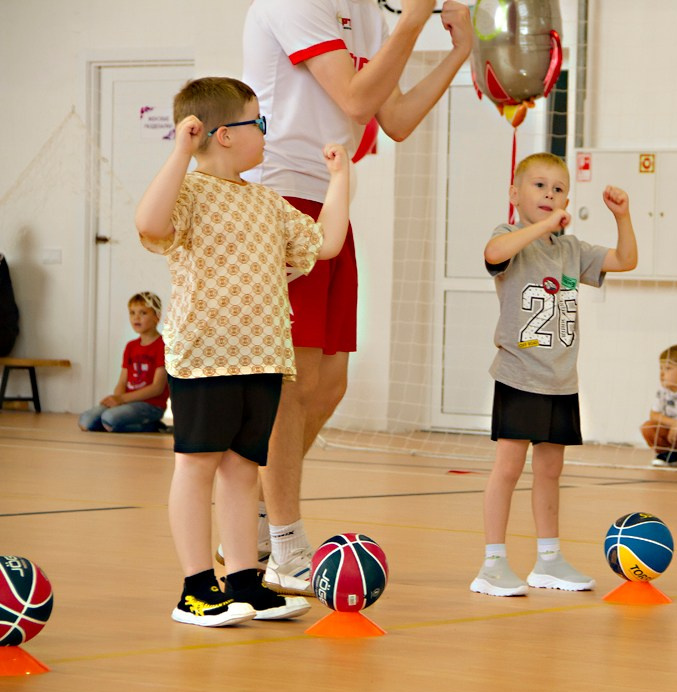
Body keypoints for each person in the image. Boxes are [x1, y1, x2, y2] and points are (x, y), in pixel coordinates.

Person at [241, 0, 474, 595]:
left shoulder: (369, 13)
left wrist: (459, 51)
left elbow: (391, 116)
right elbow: (352, 98)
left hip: (331, 197)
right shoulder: (294, 3)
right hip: (280, 195)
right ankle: (285, 545)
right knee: (292, 383)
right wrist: (415, 19)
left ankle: (258, 514)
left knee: (330, 383)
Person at [135, 77, 349, 626]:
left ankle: (243, 582)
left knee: (241, 470)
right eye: (258, 124)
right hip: (205, 357)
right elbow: (150, 224)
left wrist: (340, 180)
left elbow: (324, 244)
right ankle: (195, 588)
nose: (264, 134)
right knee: (197, 465)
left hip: (261, 358)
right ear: (223, 135)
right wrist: (180, 151)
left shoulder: (267, 202)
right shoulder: (188, 193)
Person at [471, 152, 637, 597]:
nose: (549, 194)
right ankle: (492, 563)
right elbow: (493, 254)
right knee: (508, 467)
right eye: (539, 186)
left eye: (558, 188)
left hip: (561, 380)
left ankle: (548, 560)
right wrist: (545, 225)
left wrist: (622, 216)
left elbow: (625, 260)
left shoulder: (570, 249)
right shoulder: (509, 236)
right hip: (520, 374)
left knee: (550, 469)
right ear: (515, 193)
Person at [78, 291, 169, 433]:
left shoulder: (163, 345)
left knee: (110, 419)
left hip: (150, 405)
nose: (136, 317)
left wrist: (122, 399)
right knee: (85, 421)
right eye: (132, 313)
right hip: (127, 401)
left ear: (157, 316)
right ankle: (117, 424)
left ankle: (153, 425)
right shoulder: (131, 346)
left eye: (143, 313)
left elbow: (157, 387)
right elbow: (122, 382)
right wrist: (116, 399)